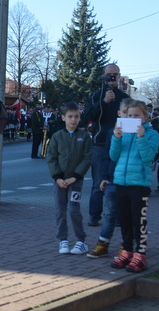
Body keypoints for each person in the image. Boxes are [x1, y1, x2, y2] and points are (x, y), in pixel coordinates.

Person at [109, 100, 159, 273]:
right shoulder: (123, 133)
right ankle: (127, 251)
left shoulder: (152, 134)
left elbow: (148, 157)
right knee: (124, 220)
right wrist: (116, 137)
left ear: (145, 116)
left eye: (136, 115)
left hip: (139, 184)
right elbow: (113, 156)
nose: (132, 118)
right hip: (121, 182)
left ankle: (141, 254)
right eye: (129, 115)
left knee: (139, 220)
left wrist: (141, 137)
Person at [83, 63, 129, 227]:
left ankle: (115, 216)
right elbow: (89, 116)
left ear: (119, 76)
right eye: (109, 74)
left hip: (120, 144)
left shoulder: (125, 98)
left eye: (115, 74)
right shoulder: (95, 95)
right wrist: (104, 101)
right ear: (103, 76)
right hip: (100, 144)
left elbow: (132, 119)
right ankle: (94, 215)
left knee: (118, 181)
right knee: (98, 182)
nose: (112, 77)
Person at [88, 97, 133, 258]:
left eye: (131, 114)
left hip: (131, 180)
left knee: (127, 215)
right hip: (113, 179)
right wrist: (105, 176)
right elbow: (108, 156)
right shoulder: (111, 132)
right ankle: (103, 244)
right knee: (109, 213)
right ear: (119, 113)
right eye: (125, 112)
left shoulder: (140, 133)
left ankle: (126, 245)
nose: (127, 116)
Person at [46, 102, 92, 255]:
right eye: (70, 116)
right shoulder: (57, 136)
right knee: (60, 210)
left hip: (75, 181)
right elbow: (51, 158)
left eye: (76, 117)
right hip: (59, 181)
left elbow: (87, 158)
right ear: (63, 117)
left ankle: (81, 240)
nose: (73, 120)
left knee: (73, 209)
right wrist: (57, 178)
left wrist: (76, 176)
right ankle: (63, 240)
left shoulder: (84, 136)